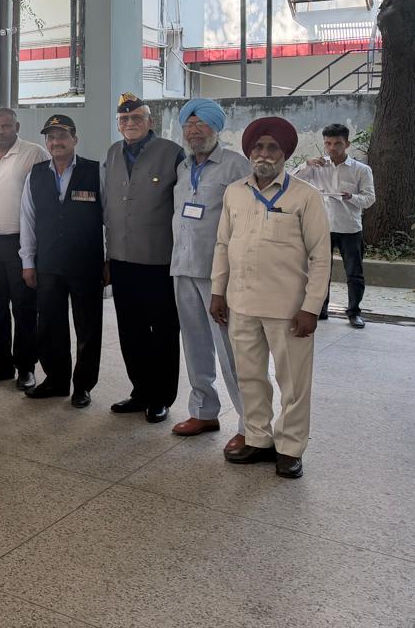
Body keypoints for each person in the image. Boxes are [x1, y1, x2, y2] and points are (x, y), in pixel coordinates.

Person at [212, 116, 330, 479]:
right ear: (249, 152)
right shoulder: (235, 192)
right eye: (258, 146)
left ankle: (290, 448)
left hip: (288, 308)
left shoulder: (305, 196)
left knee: (293, 383)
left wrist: (311, 307)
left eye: (272, 147)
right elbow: (222, 244)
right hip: (241, 303)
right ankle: (258, 439)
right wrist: (218, 291)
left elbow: (321, 257)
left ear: (285, 153)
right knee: (250, 376)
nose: (264, 153)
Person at [169, 98, 251, 452]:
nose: (194, 131)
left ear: (216, 127)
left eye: (201, 124)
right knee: (195, 344)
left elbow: (246, 221)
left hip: (219, 274)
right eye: (189, 125)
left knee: (232, 350)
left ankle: (251, 423)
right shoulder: (183, 167)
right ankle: (204, 411)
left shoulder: (236, 166)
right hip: (183, 267)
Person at [103, 93, 185, 424]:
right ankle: (140, 391)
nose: (130, 123)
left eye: (137, 117)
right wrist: (107, 256)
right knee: (130, 330)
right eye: (124, 119)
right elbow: (108, 207)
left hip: (159, 260)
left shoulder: (171, 152)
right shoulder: (112, 152)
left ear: (150, 121)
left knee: (163, 331)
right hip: (122, 259)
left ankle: (161, 397)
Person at [19, 115, 105, 408]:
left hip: (86, 265)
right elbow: (27, 219)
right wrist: (27, 261)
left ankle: (83, 386)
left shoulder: (95, 171)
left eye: (62, 136)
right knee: (50, 325)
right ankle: (56, 380)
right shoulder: (36, 174)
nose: (56, 142)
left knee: (88, 328)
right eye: (51, 137)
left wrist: (109, 260)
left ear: (75, 139)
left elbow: (110, 220)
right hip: (49, 264)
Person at [0, 107, 49, 391]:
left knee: (24, 308)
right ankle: (1, 364)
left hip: (20, 244)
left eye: (5, 126)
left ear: (16, 127)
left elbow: (43, 202)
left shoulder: (34, 153)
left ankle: (26, 367)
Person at [293, 123, 376, 329]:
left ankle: (354, 312)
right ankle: (320, 309)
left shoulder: (361, 170)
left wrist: (351, 197)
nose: (332, 148)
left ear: (347, 144)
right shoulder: (317, 167)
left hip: (350, 228)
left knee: (354, 273)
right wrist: (306, 164)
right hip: (322, 227)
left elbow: (369, 199)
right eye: (328, 143)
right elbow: (291, 182)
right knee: (320, 272)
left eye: (337, 143)